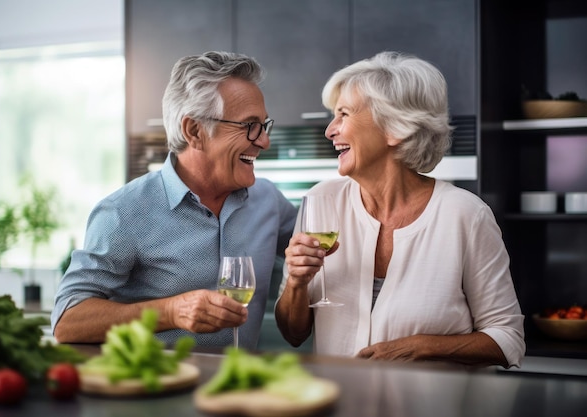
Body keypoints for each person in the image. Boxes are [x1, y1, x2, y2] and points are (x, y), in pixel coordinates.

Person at [275, 51, 525, 368]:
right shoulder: (322, 201)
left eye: (344, 115)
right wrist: (297, 283)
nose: (330, 130)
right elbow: (293, 333)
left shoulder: (465, 215)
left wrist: (421, 347)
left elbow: (508, 339)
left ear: (396, 128)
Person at [52, 51, 297, 349]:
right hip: (158, 390)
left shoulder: (268, 200)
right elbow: (67, 320)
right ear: (194, 131)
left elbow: (328, 250)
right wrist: (168, 312)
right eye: (249, 126)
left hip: (240, 389)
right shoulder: (124, 212)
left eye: (264, 125)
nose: (264, 141)